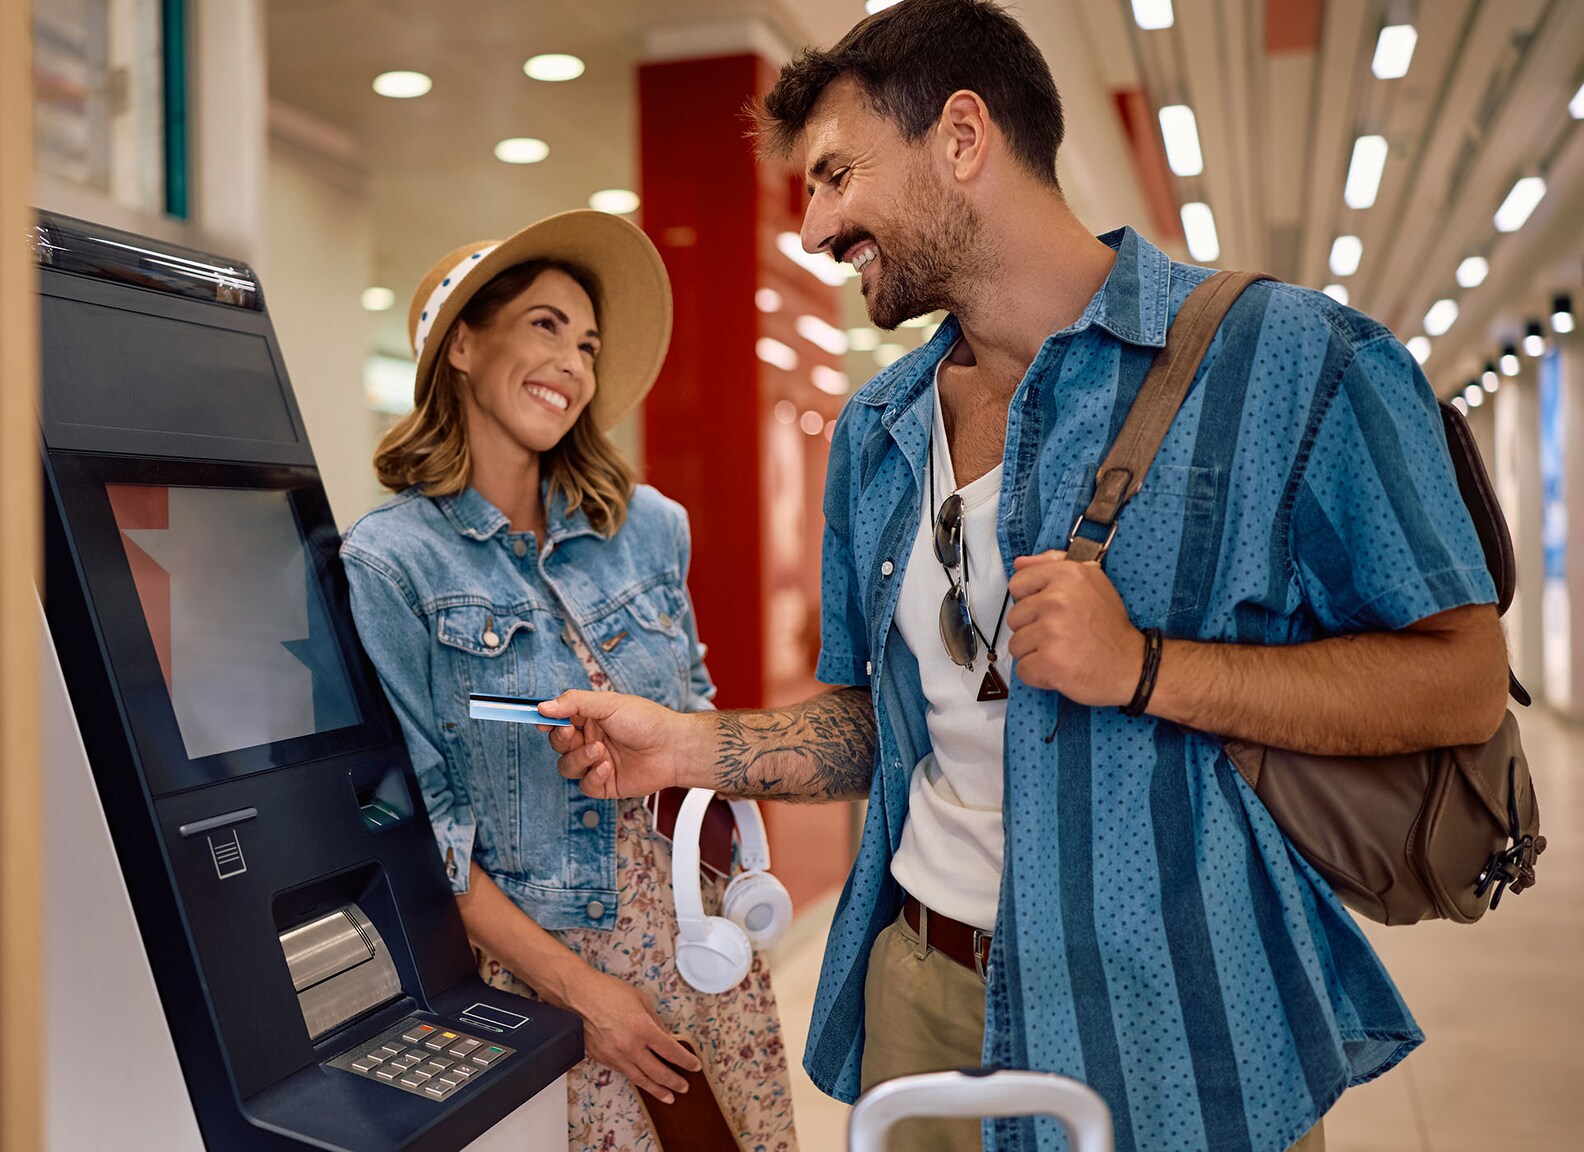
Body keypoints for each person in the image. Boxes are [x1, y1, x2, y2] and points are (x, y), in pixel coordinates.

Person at [538, 3, 1510, 1151]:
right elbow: (877, 725)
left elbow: (1459, 682)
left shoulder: (1292, 363)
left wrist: (1144, 668)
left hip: (1177, 1006)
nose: (814, 225)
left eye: (837, 174)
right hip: (922, 988)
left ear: (961, 136)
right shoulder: (878, 430)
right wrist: (686, 746)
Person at [339, 210, 798, 1152]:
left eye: (587, 342)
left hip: (704, 946)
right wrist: (584, 995)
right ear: (463, 343)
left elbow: (699, 720)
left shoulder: (647, 526)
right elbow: (426, 836)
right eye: (546, 324)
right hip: (550, 976)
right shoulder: (391, 565)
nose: (574, 361)